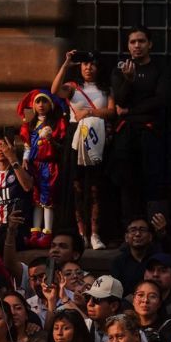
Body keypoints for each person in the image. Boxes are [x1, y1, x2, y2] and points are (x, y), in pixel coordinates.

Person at [52, 49, 115, 252]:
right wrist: (66, 64)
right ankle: (81, 233)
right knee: (78, 188)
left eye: (93, 64)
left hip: (96, 138)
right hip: (76, 137)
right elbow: (54, 91)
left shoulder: (106, 89)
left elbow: (112, 111)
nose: (88, 68)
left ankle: (95, 233)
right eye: (85, 64)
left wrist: (89, 112)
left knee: (95, 188)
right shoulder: (73, 87)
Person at [108, 26, 171, 224]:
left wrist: (132, 111)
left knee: (153, 184)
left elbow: (161, 100)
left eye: (141, 41)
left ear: (150, 44)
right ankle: (131, 229)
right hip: (126, 136)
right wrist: (128, 81)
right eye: (133, 42)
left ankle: (155, 231)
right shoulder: (120, 70)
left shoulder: (159, 69)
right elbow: (119, 101)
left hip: (151, 133)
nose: (137, 46)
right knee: (128, 184)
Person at [16, 88, 68, 248]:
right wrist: (25, 159)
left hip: (49, 166)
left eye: (44, 101)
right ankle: (35, 232)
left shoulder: (56, 124)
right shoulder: (30, 126)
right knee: (36, 200)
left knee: (47, 199)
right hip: (34, 166)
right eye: (38, 101)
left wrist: (51, 140)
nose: (41, 105)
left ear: (50, 104)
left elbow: (61, 146)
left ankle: (47, 232)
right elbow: (27, 146)